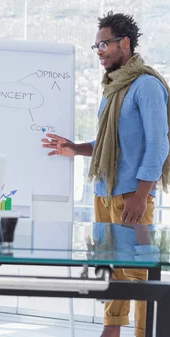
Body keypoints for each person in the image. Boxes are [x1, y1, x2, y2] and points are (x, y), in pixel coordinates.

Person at [42, 12, 170, 337]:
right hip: (104, 191)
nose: (98, 50)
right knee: (112, 266)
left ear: (124, 43)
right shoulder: (112, 88)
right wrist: (75, 148)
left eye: (104, 44)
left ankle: (145, 332)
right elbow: (110, 142)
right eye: (95, 45)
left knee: (139, 270)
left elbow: (158, 144)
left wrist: (142, 195)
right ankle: (111, 331)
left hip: (132, 195)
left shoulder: (147, 86)